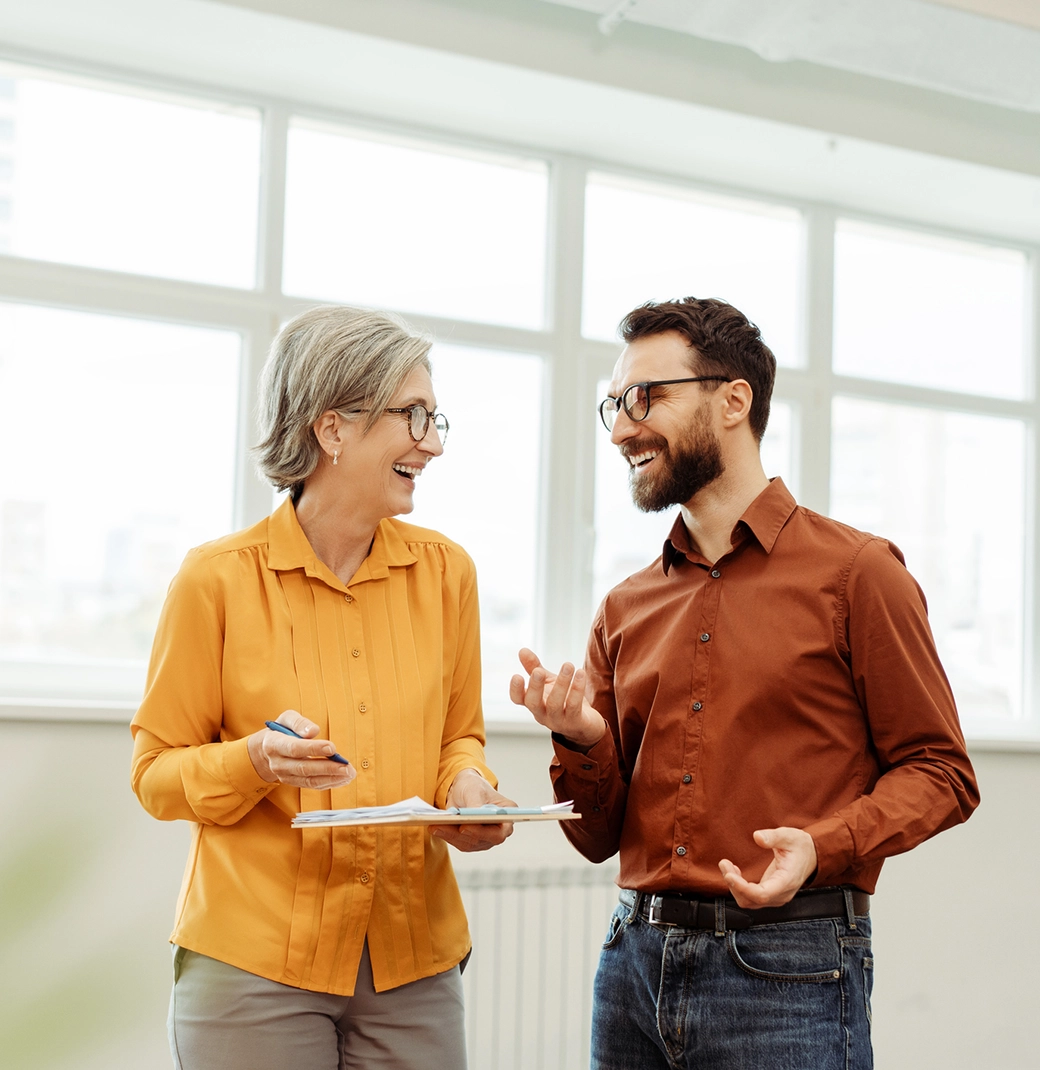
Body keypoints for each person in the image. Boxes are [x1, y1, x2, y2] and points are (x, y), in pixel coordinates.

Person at [510, 297, 979, 1070]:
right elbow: (596, 838)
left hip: (788, 970)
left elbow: (944, 773)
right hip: (630, 964)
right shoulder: (625, 607)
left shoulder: (859, 574)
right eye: (614, 406)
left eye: (645, 397)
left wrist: (824, 846)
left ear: (734, 399)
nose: (624, 427)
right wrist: (582, 738)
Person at [131, 304, 515, 1070]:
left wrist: (469, 788)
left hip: (415, 961)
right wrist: (255, 762)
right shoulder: (216, 580)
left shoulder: (447, 573)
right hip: (255, 963)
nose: (432, 444)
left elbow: (457, 737)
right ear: (331, 429)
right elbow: (155, 774)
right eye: (413, 416)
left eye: (437, 420)